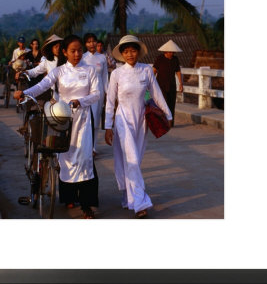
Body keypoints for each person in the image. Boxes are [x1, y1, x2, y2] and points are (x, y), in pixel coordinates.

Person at [14, 34, 100, 219]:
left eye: (79, 50)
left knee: (84, 159)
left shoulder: (90, 70)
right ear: (65, 52)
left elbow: (96, 94)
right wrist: (24, 93)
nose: (77, 54)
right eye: (72, 51)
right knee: (64, 158)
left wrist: (81, 101)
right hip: (61, 120)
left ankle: (87, 205)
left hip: (83, 119)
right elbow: (43, 86)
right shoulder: (59, 71)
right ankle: (68, 197)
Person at [104, 35, 172, 219]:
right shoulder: (117, 74)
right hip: (122, 120)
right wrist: (108, 126)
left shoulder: (146, 71)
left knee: (135, 160)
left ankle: (129, 197)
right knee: (131, 158)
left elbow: (156, 94)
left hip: (142, 121)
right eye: (126, 51)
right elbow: (110, 101)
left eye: (133, 50)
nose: (130, 54)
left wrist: (168, 114)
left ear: (138, 52)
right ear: (122, 54)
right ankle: (141, 203)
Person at [82, 33, 108, 157]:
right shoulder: (82, 58)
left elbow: (105, 77)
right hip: (86, 92)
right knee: (86, 120)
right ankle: (85, 147)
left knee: (96, 119)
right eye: (88, 42)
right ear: (85, 44)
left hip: (99, 92)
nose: (91, 44)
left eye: (93, 41)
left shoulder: (102, 58)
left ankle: (93, 148)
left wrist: (107, 94)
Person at [152, 40, 183, 126]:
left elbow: (178, 71)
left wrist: (181, 83)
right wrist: (150, 83)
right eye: (169, 52)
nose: (171, 53)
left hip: (172, 85)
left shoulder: (175, 59)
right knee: (162, 103)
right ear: (165, 51)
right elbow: (154, 71)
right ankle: (162, 122)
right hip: (160, 85)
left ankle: (170, 123)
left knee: (171, 103)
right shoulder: (160, 58)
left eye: (172, 52)